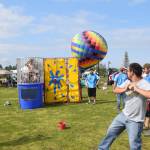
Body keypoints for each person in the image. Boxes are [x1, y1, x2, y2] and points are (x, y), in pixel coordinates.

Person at [98, 63, 150, 150]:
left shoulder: (145, 83)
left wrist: (136, 89)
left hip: (136, 121)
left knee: (134, 145)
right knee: (110, 134)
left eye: (128, 71)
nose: (126, 73)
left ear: (132, 72)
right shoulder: (127, 81)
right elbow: (115, 90)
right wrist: (125, 89)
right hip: (123, 115)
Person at [143, 63, 150, 130]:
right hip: (145, 97)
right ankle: (145, 125)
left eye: (144, 69)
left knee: (147, 113)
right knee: (145, 112)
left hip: (148, 97)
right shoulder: (146, 76)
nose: (144, 70)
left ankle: (146, 126)